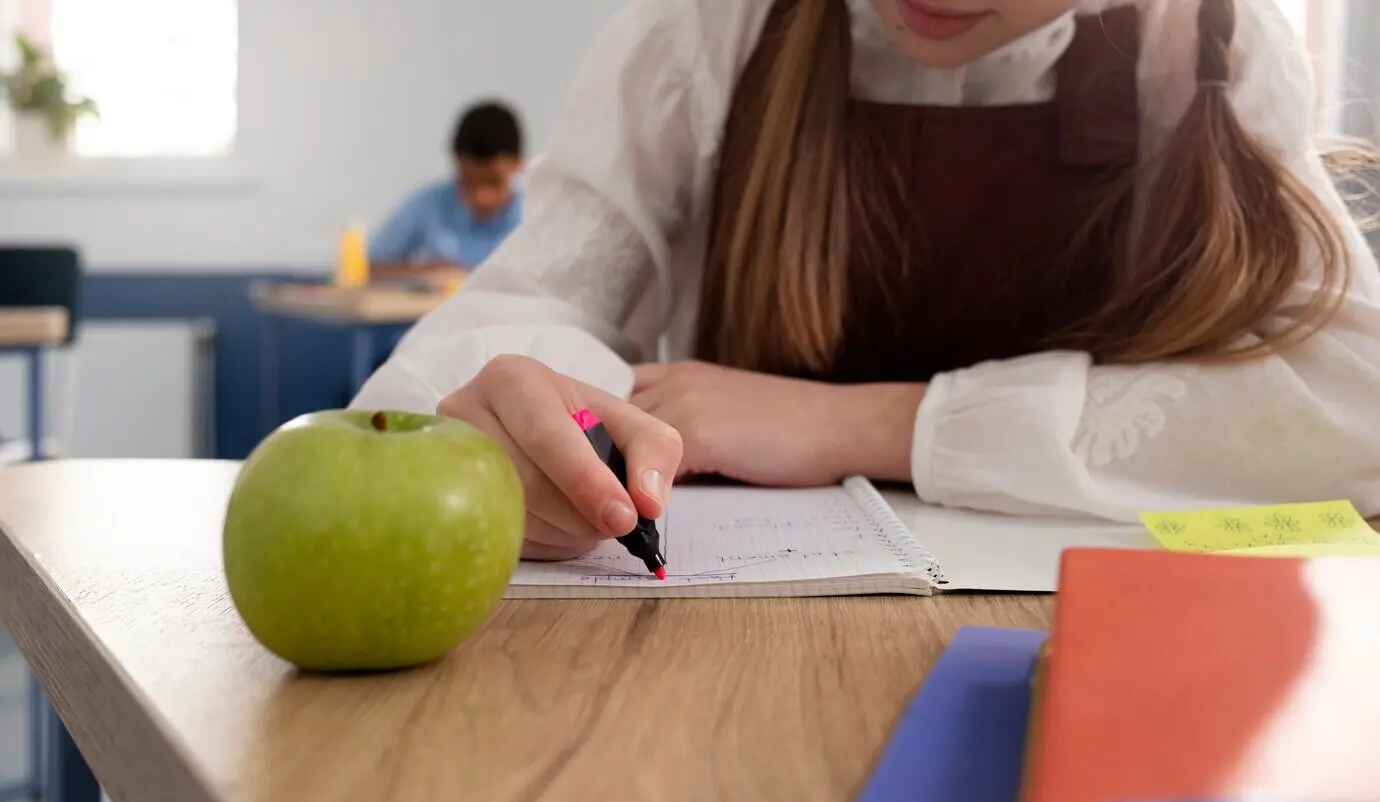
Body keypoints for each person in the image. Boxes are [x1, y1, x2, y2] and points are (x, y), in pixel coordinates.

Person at [353, 0, 1380, 564]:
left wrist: (871, 424)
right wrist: (515, 415)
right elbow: (531, 307)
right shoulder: (710, 33)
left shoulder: (1212, 52)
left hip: (1107, 653)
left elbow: (1356, 400)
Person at [368, 101, 525, 280]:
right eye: (469, 183)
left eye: (494, 183)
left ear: (520, 165)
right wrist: (427, 273)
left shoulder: (538, 214)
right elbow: (367, 268)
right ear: (455, 164)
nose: (482, 197)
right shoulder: (428, 203)